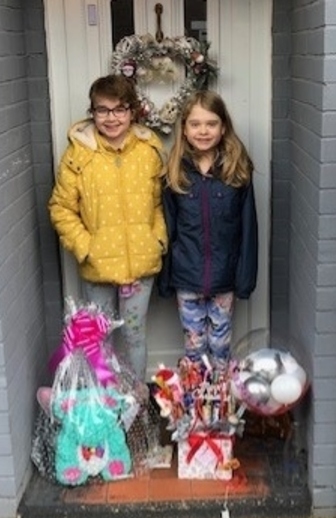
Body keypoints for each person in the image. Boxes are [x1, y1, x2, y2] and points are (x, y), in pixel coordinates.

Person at [48, 74, 166, 380]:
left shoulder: (148, 151)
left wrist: (158, 240)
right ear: (93, 112)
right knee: (99, 340)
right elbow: (61, 207)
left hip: (141, 263)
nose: (111, 118)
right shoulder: (79, 154)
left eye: (119, 109)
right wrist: (86, 247)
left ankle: (137, 403)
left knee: (135, 336)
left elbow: (158, 203)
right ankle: (106, 404)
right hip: (98, 266)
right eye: (103, 110)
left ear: (132, 112)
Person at [158, 90, 258, 367]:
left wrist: (245, 278)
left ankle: (219, 400)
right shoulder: (175, 171)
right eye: (195, 124)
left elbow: (248, 228)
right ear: (185, 129)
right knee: (194, 346)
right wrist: (165, 278)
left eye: (211, 124)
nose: (203, 131)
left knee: (220, 345)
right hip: (186, 275)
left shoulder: (237, 170)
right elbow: (168, 227)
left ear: (223, 127)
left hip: (224, 276)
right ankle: (195, 402)